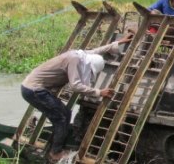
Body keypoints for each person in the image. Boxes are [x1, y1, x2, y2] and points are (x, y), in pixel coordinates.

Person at [21, 32, 134, 161]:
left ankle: (56, 148)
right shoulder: (75, 60)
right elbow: (75, 85)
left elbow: (96, 51)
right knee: (63, 116)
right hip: (35, 90)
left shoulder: (81, 56)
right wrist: (98, 92)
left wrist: (119, 43)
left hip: (31, 87)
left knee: (61, 116)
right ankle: (56, 153)